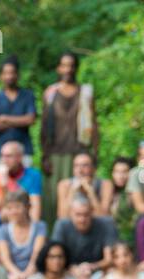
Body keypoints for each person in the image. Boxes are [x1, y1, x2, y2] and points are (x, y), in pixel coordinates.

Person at [41, 52, 99, 227]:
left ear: (76, 68)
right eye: (64, 65)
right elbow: (44, 126)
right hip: (55, 154)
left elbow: (94, 124)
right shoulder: (51, 93)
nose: (68, 69)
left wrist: (95, 153)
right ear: (59, 68)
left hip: (79, 152)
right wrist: (45, 155)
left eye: (71, 65)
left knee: (81, 197)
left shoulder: (86, 92)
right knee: (53, 201)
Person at [52, 195, 117, 279]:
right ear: (70, 213)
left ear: (92, 212)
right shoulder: (61, 225)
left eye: (86, 214)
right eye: (78, 215)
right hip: (68, 271)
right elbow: (55, 256)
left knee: (113, 274)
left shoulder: (106, 224)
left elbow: (109, 259)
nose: (82, 219)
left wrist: (91, 267)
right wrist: (73, 270)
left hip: (98, 272)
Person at [0, 56, 37, 163]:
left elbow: (31, 120)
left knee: (24, 180)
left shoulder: (28, 95)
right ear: (1, 76)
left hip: (24, 152)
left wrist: (5, 118)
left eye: (12, 72)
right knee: (0, 180)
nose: (9, 76)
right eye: (6, 73)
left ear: (18, 74)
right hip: (0, 153)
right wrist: (20, 121)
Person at [0, 142, 43, 227]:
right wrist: (4, 185)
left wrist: (34, 229)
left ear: (19, 157)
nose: (4, 160)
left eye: (9, 156)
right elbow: (2, 206)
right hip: (8, 214)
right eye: (2, 156)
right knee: (3, 213)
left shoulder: (33, 175)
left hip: (26, 212)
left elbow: (35, 203)